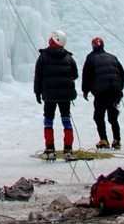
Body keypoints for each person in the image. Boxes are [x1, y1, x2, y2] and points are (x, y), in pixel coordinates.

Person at [34, 29, 78, 157]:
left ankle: (50, 149)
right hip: (66, 95)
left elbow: (38, 76)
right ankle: (68, 149)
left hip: (49, 95)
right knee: (66, 119)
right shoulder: (69, 58)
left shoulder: (43, 56)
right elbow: (74, 75)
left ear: (53, 40)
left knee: (48, 120)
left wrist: (37, 92)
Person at [82, 37, 124, 149]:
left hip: (101, 93)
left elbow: (87, 76)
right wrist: (119, 89)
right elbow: (122, 75)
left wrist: (85, 91)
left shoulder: (91, 58)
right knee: (113, 117)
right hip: (114, 92)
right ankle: (117, 140)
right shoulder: (113, 57)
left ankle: (104, 140)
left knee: (99, 116)